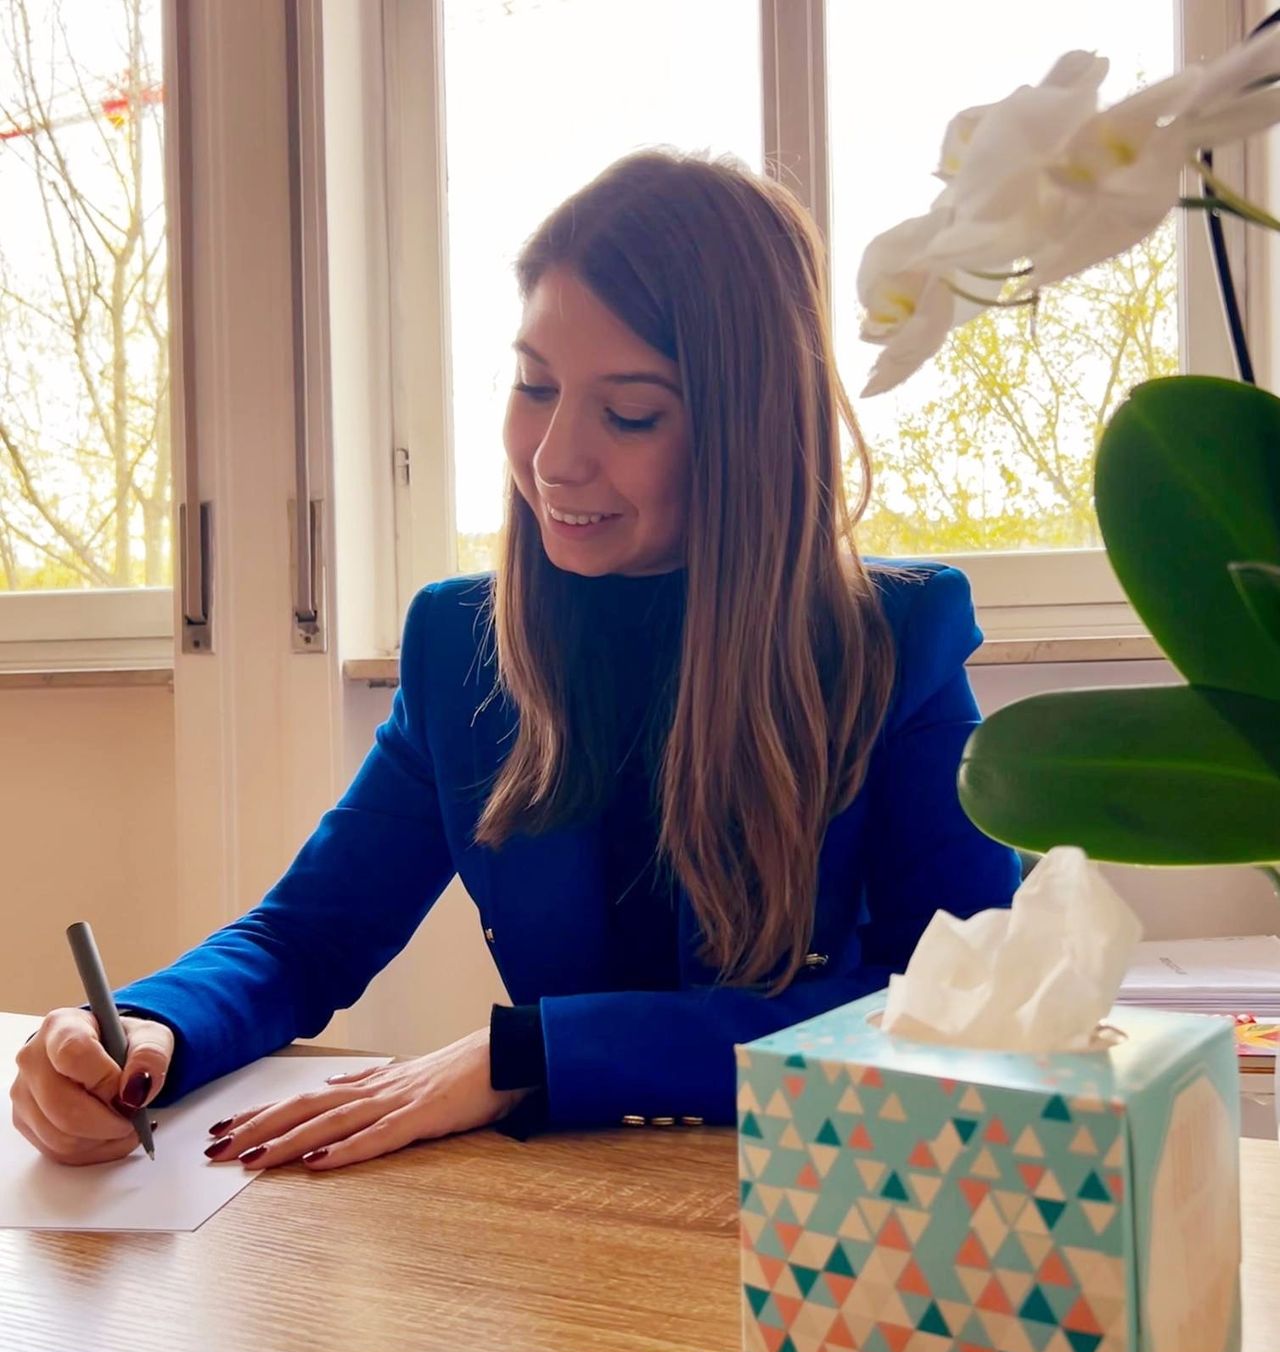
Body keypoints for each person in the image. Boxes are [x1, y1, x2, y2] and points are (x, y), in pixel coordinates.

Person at [10, 149, 1020, 1170]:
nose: (552, 457)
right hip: (556, 1207)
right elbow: (303, 936)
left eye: (628, 412)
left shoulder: (895, 639)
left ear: (747, 430)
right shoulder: (460, 645)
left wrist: (532, 1054)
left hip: (823, 1197)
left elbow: (961, 1003)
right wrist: (149, 1027)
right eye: (534, 386)